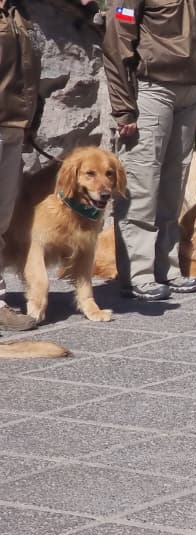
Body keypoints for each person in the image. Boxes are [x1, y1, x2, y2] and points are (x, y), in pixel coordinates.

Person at [103, 0, 196, 301]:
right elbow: (116, 41)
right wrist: (124, 108)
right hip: (152, 89)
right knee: (142, 183)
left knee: (173, 187)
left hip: (189, 91)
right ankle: (138, 275)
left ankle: (167, 268)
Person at [0, 0, 38, 330]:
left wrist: (31, 120)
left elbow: (28, 69)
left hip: (13, 123)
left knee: (2, 216)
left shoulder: (16, 11)